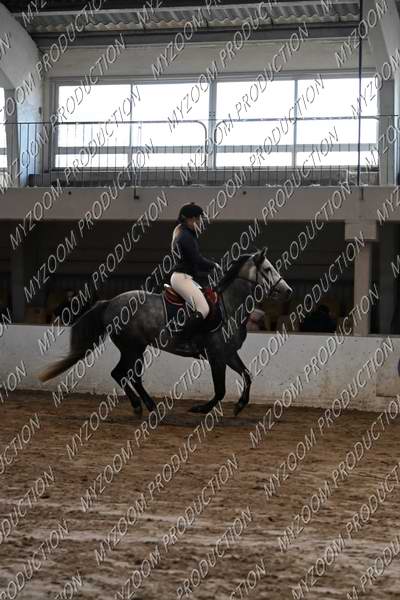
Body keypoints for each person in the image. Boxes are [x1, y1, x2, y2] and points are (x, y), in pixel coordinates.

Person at [170, 203, 219, 339]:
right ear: (189, 219)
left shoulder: (187, 234)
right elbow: (197, 260)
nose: (200, 222)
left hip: (187, 277)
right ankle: (182, 339)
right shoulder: (185, 236)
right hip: (182, 278)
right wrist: (214, 265)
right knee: (203, 308)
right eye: (198, 219)